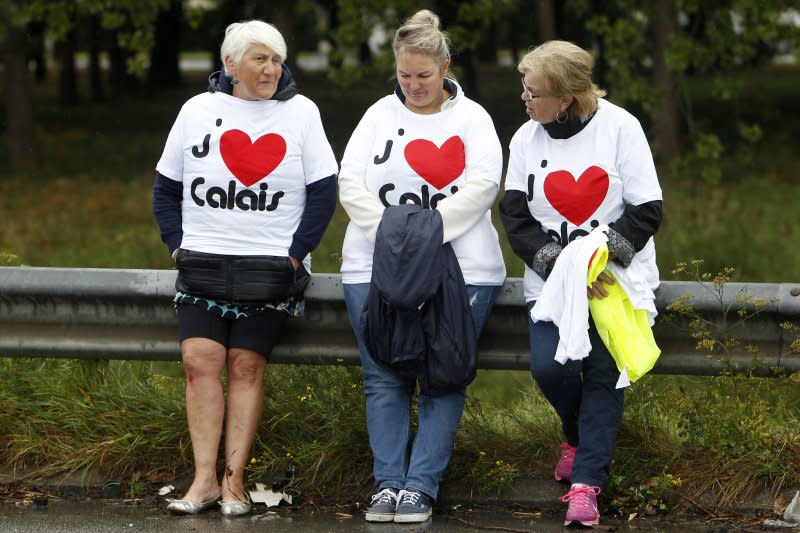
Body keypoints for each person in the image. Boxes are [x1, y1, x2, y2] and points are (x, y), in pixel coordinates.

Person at [152, 20, 337, 517]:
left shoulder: (301, 113)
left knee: (246, 366)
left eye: (277, 59)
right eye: (260, 59)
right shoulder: (196, 110)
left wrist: (295, 254)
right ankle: (204, 481)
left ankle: (235, 482)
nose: (272, 69)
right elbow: (165, 186)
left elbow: (324, 191)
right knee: (199, 362)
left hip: (271, 268)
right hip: (202, 265)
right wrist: (176, 246)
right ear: (231, 64)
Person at [338, 9, 506, 524]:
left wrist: (426, 233)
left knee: (442, 377)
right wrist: (396, 235)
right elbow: (351, 183)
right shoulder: (375, 117)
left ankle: (421, 487)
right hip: (372, 263)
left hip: (465, 267)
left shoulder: (473, 119)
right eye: (405, 76)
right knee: (382, 378)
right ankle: (388, 484)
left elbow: (483, 185)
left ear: (445, 67)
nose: (414, 85)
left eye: (424, 76)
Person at [500, 40, 663, 527]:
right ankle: (575, 435)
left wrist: (592, 266)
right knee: (550, 370)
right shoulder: (526, 138)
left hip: (614, 279)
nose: (524, 101)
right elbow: (515, 218)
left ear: (566, 98)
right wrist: (565, 270)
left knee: (602, 377)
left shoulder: (621, 128)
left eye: (533, 93)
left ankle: (586, 484)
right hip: (551, 282)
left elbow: (646, 211)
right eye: (523, 89)